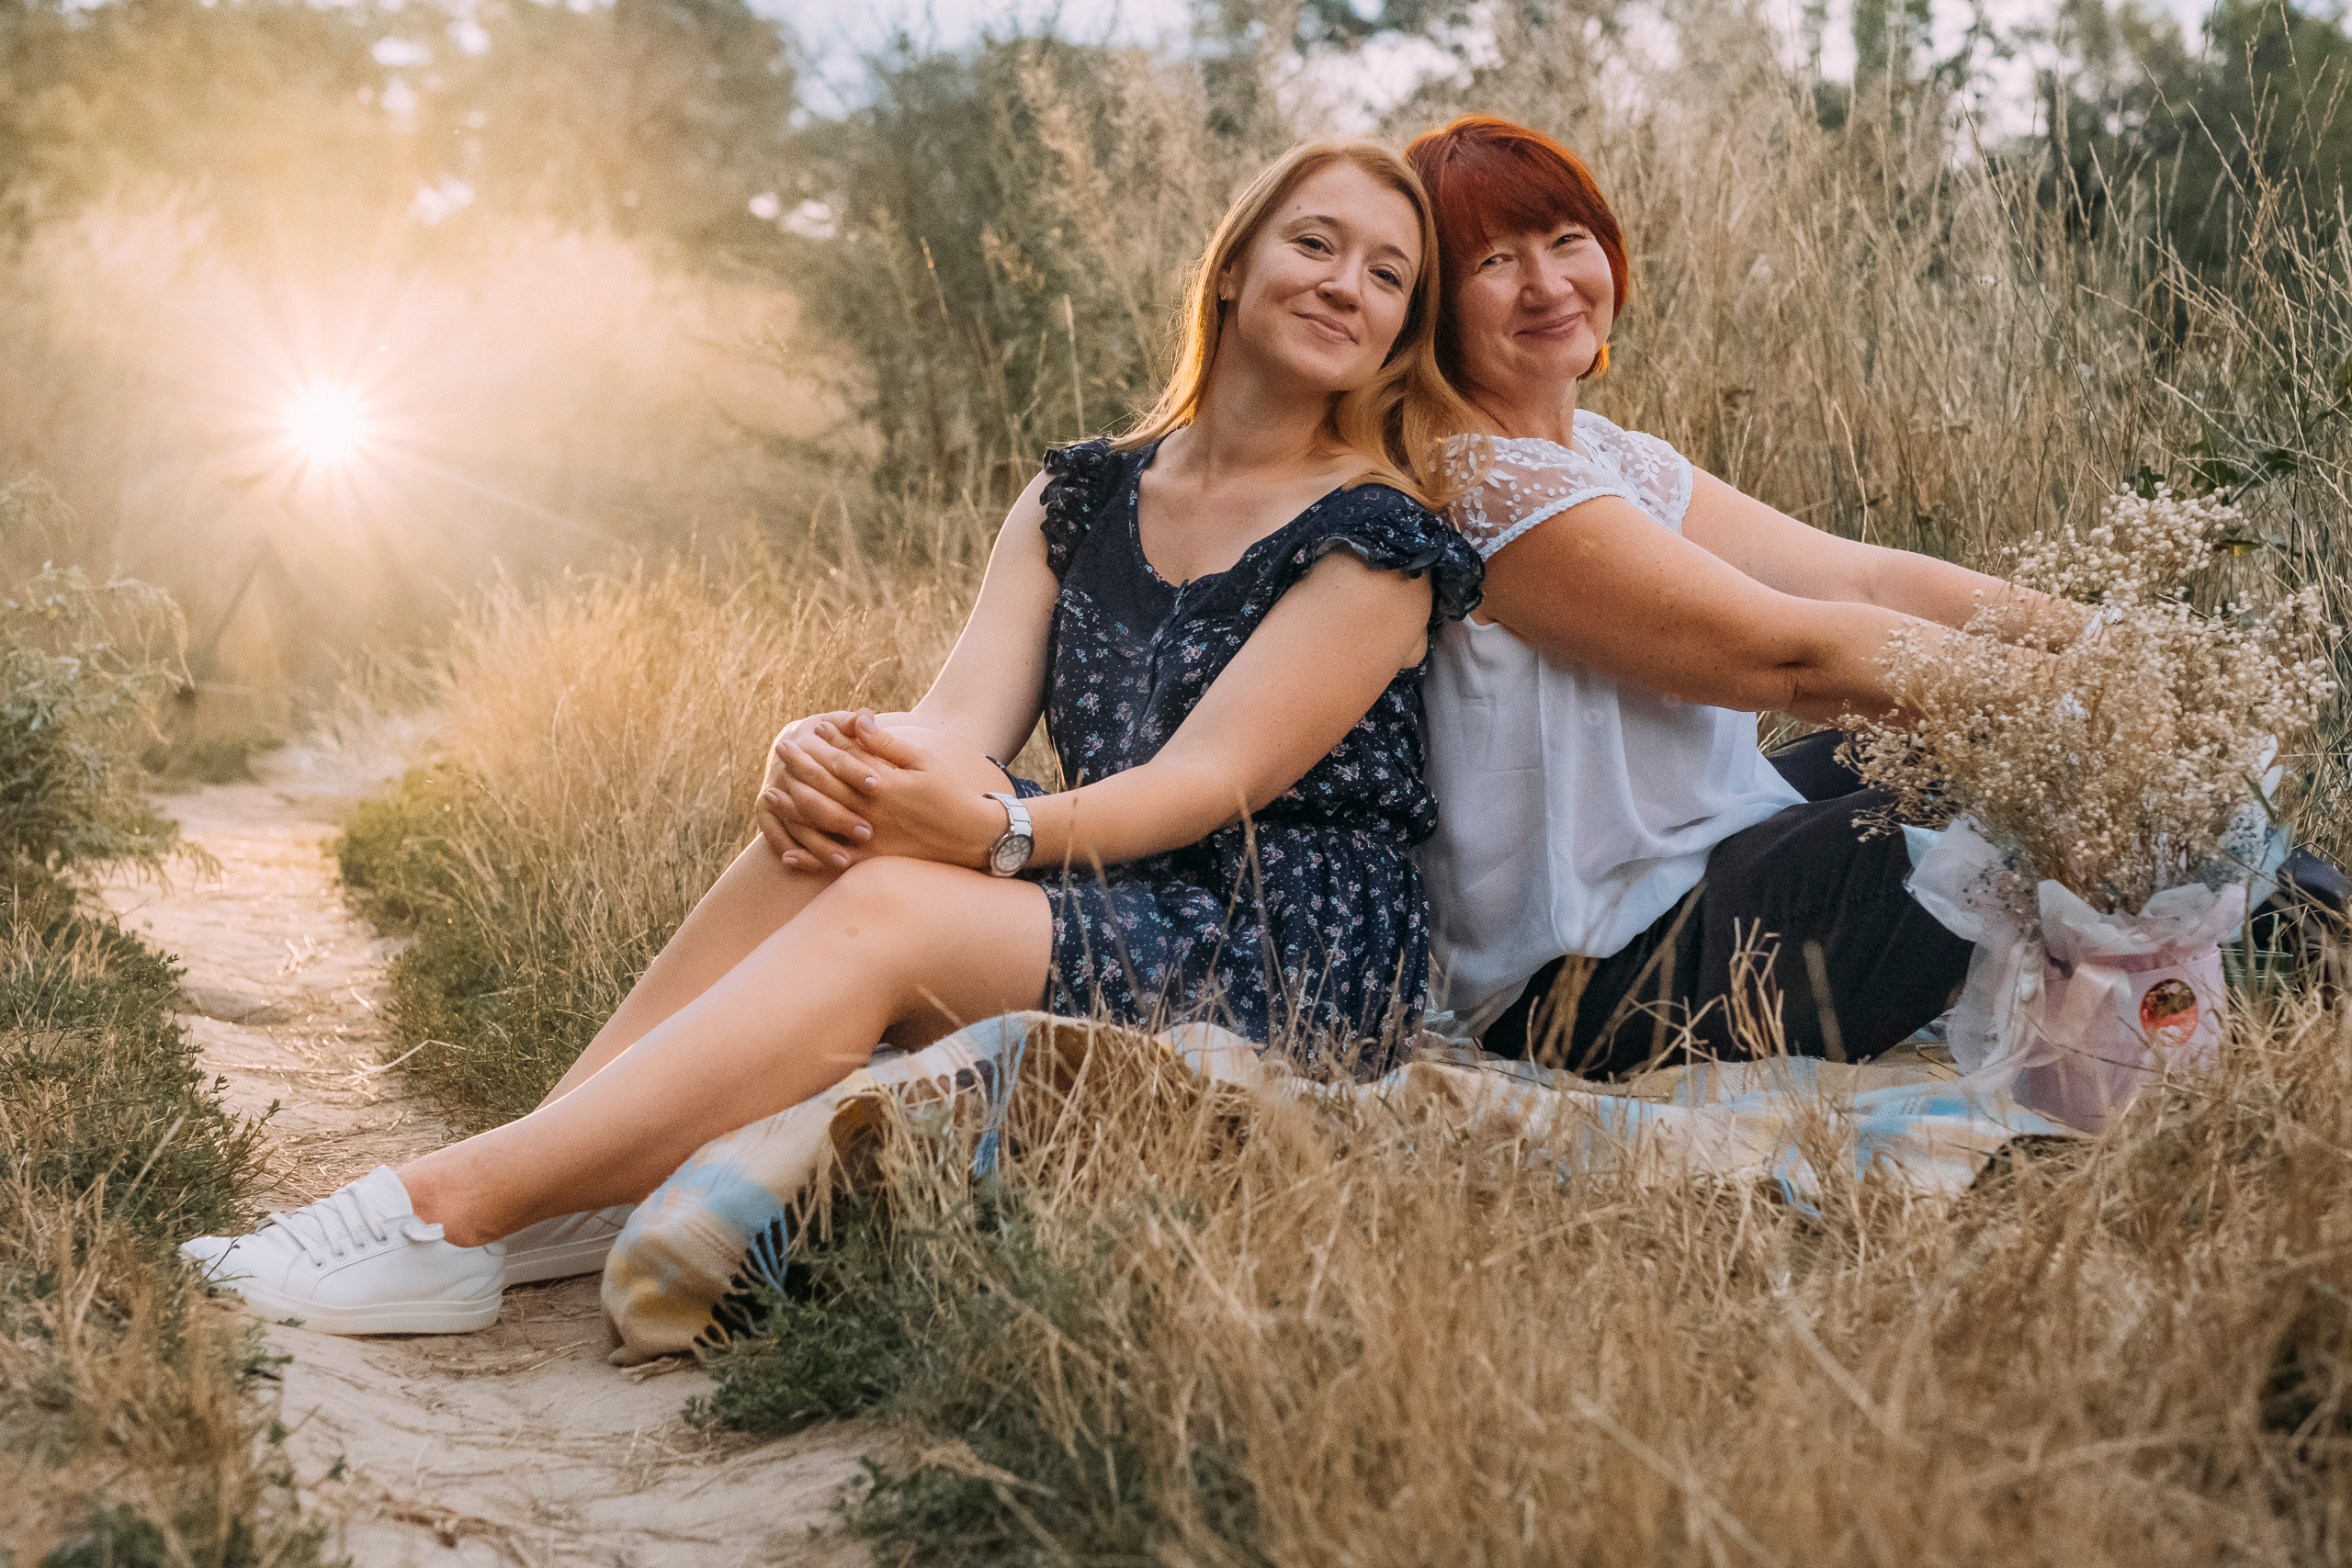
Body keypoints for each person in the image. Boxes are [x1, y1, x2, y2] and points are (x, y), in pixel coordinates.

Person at [178, 138, 1483, 1335]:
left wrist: (1004, 829)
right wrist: (826, 747)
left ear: (1398, 336)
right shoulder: (1084, 490)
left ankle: (441, 1208)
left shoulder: (1377, 538)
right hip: (1113, 884)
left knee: (896, 910)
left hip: (1285, 938)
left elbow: (1209, 784)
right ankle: (561, 1175)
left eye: (1388, 276)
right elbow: (958, 728)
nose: (1344, 286)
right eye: (1315, 244)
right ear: (1236, 266)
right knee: (845, 819)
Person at [1399, 114, 2343, 1077]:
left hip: (1694, 871)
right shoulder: (1482, 486)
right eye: (1494, 262)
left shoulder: (1604, 454)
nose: (1550, 284)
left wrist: (2118, 648)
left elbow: (1864, 576)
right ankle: (2325, 959)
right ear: (1432, 304)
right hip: (1584, 983)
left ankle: (2311, 958)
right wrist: (2085, 711)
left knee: (1974, 748)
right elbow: (1787, 660)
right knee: (2021, 788)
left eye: (1566, 241)